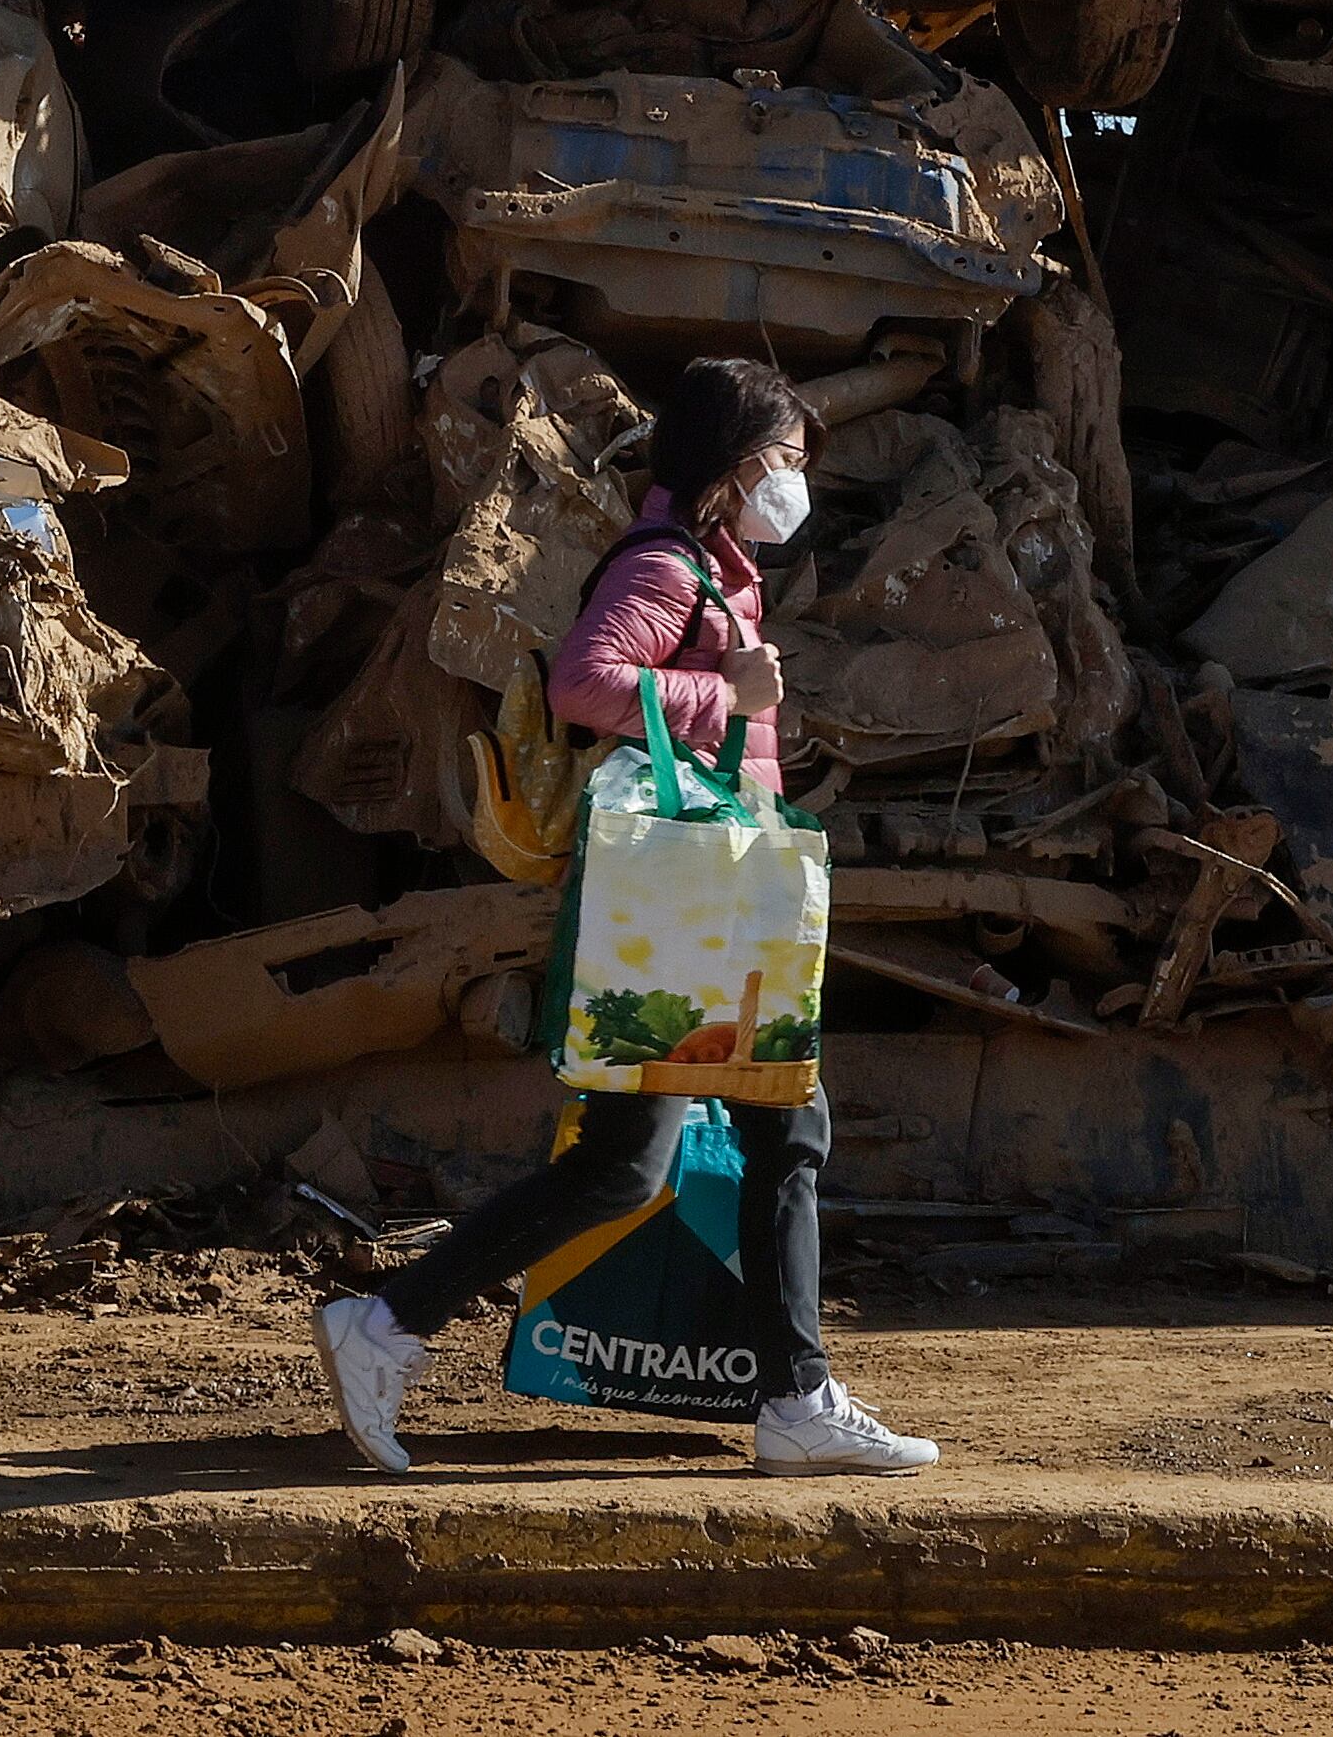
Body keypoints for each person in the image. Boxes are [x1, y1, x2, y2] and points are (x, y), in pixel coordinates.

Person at [311, 354, 936, 1479]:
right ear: (734, 469)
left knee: (670, 1155)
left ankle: (393, 1326)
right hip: (688, 915)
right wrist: (725, 694)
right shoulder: (667, 567)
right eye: (787, 462)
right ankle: (787, 1399)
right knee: (748, 1139)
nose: (798, 482)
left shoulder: (713, 569)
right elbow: (586, 683)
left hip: (706, 908)